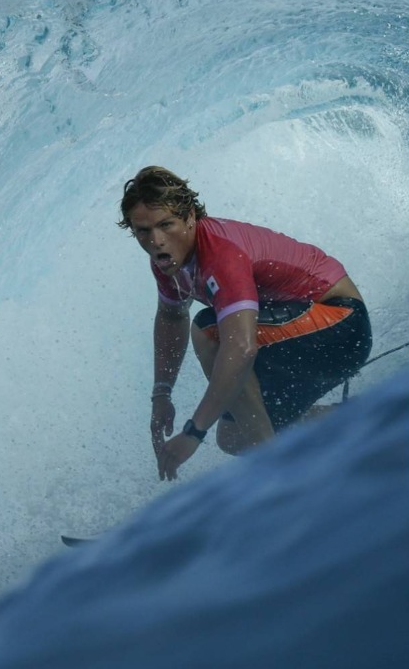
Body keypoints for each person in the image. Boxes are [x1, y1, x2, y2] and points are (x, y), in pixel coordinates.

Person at [118, 166, 372, 480]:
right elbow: (172, 316)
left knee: (209, 331)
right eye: (143, 231)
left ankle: (277, 476)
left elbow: (240, 348)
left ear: (190, 219)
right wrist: (161, 395)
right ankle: (366, 416)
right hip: (293, 337)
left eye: (166, 225)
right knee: (234, 436)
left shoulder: (221, 254)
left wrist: (193, 433)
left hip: (341, 326)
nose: (155, 240)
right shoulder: (168, 260)